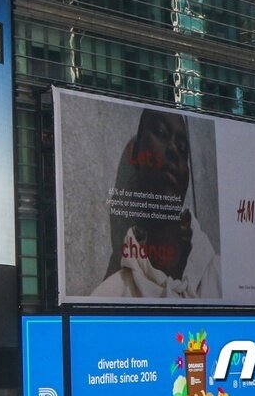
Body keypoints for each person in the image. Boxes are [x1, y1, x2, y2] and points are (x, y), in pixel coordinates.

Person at [91, 108, 222, 299]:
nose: (173, 150)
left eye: (183, 148)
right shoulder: (108, 297)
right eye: (161, 132)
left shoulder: (223, 277)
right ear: (135, 156)